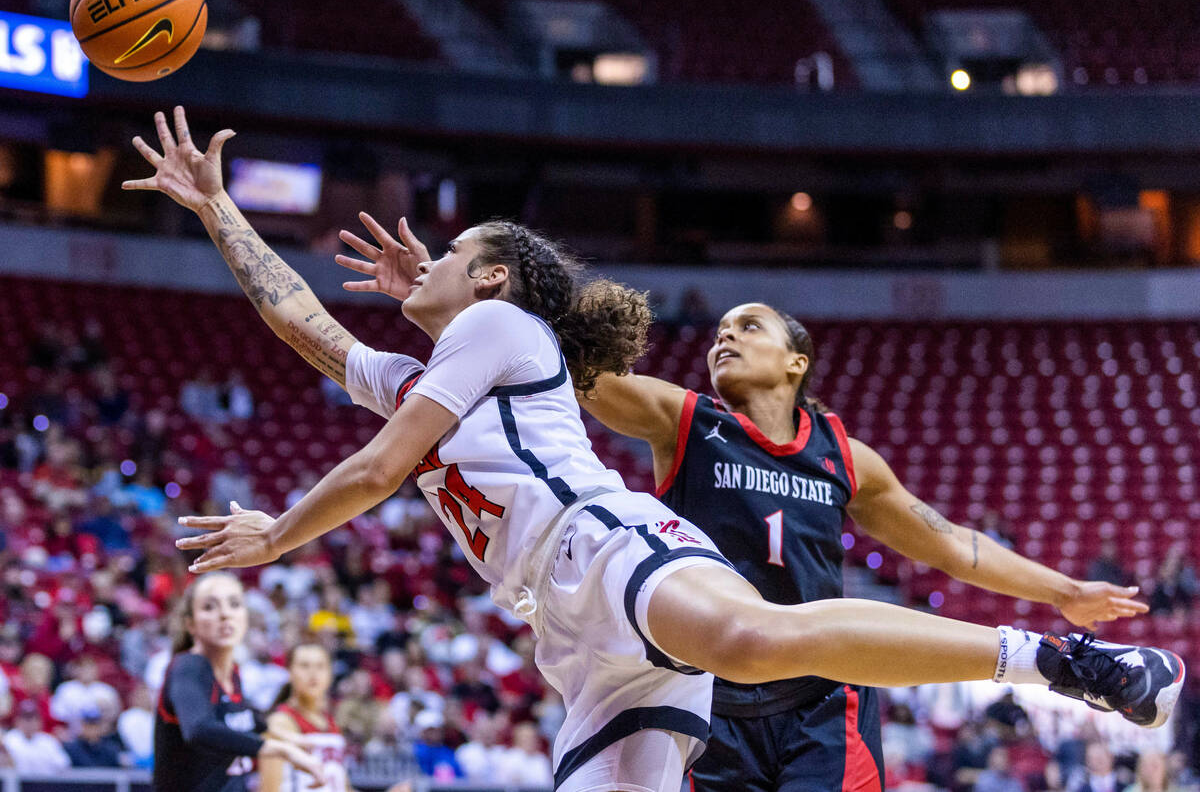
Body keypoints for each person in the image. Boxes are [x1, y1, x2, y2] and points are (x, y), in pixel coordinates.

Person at [130, 107, 1184, 792]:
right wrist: (218, 208)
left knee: (756, 638)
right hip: (573, 636)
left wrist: (276, 535)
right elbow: (305, 324)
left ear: (492, 282)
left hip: (608, 544)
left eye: (449, 253)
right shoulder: (425, 369)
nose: (423, 262)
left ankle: (1059, 661)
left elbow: (375, 470)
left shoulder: (504, 330)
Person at [340, 215, 1156, 792]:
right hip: (712, 697)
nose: (723, 336)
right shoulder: (683, 419)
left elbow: (952, 546)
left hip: (817, 703)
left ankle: (1053, 653)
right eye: (719, 329)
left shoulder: (844, 455)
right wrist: (451, 299)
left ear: (796, 361)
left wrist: (1063, 590)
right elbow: (544, 363)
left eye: (749, 326)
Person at [152, 571, 320, 792]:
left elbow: (245, 719)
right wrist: (282, 750)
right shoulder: (189, 666)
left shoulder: (232, 672)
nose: (224, 614)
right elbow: (199, 729)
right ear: (191, 624)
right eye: (210, 607)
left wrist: (288, 737)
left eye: (234, 604)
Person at [259, 642, 407, 792]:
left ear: (330, 674)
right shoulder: (281, 721)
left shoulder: (331, 722)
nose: (313, 674)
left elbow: (340, 786)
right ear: (290, 672)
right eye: (304, 665)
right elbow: (269, 788)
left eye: (320, 666)